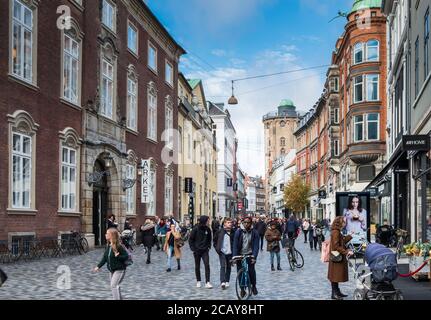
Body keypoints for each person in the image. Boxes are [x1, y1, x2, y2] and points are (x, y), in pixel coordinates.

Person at [94, 228, 129, 300]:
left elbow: (126, 256)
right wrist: (98, 266)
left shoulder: (119, 246)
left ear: (112, 235)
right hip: (111, 270)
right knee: (115, 286)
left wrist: (118, 256)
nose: (105, 234)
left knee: (113, 286)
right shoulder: (108, 246)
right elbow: (104, 258)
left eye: (107, 233)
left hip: (119, 270)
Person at [327, 216, 353, 300]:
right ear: (340, 222)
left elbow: (342, 242)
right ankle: (334, 294)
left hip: (337, 257)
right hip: (336, 257)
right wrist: (346, 252)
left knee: (335, 276)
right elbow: (336, 246)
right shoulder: (336, 232)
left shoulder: (337, 231)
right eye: (344, 222)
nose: (345, 223)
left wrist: (350, 236)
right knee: (334, 276)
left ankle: (337, 292)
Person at [233, 216, 260, 297]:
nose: (246, 224)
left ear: (251, 223)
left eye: (248, 222)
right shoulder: (238, 232)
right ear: (242, 223)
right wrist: (234, 257)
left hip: (250, 254)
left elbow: (256, 246)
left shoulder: (255, 232)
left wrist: (254, 257)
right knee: (240, 272)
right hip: (240, 254)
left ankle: (253, 285)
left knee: (251, 271)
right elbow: (235, 245)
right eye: (245, 222)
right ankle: (242, 289)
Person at [189, 215, 213, 289]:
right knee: (197, 266)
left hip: (205, 250)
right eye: (208, 220)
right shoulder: (195, 229)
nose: (209, 222)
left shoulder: (208, 229)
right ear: (204, 221)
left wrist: (209, 246)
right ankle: (198, 281)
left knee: (207, 265)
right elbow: (191, 240)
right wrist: (193, 249)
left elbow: (209, 239)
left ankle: (207, 282)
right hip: (197, 251)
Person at [213, 218, 234, 289]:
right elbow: (215, 240)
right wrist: (217, 249)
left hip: (230, 252)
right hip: (222, 252)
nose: (230, 224)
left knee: (229, 266)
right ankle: (222, 281)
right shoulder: (220, 231)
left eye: (230, 222)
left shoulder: (233, 232)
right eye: (228, 222)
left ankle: (227, 280)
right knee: (222, 266)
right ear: (224, 223)